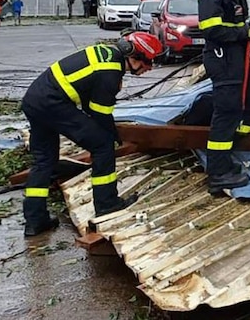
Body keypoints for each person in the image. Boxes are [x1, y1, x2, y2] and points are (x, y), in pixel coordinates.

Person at [20, 31, 163, 236]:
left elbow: (89, 102)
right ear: (135, 57)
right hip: (54, 104)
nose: (149, 69)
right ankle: (107, 204)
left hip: (35, 101)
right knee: (103, 146)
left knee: (44, 161)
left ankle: (35, 221)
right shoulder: (111, 72)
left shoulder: (105, 54)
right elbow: (100, 113)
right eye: (148, 63)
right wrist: (113, 136)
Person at [193, 0, 250, 194]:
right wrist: (244, 33)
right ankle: (218, 174)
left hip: (235, 56)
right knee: (226, 113)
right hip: (223, 58)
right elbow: (212, 29)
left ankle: (225, 162)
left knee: (235, 110)